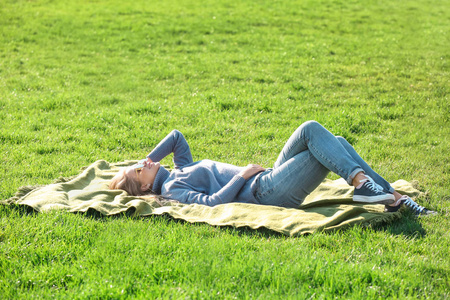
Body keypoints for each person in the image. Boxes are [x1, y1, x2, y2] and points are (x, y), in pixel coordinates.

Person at [110, 121, 435, 216]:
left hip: (265, 180)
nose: (147, 163)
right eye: (141, 170)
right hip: (264, 193)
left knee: (328, 138)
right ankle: (376, 190)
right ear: (144, 187)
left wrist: (143, 160)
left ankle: (382, 192)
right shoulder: (170, 189)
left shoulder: (180, 167)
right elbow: (211, 204)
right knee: (321, 141)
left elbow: (176, 136)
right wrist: (242, 175)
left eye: (143, 162)